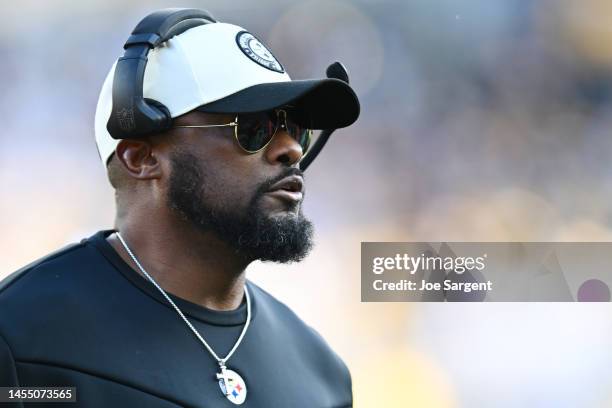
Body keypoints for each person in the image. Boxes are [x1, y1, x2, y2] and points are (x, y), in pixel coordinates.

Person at [0, 8, 359, 408]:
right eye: (253, 127)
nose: (290, 149)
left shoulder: (322, 373)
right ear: (141, 158)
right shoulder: (19, 336)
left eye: (295, 129)